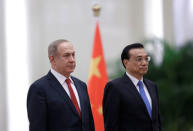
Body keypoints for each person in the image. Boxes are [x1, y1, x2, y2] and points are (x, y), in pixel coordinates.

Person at [27, 39, 95, 131]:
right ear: (52, 59)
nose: (72, 60)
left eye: (73, 55)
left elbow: (89, 123)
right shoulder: (39, 89)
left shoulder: (81, 85)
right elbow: (38, 127)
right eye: (66, 55)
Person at [103, 43, 161, 131]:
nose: (144, 63)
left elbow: (157, 121)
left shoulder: (152, 86)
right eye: (139, 59)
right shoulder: (115, 87)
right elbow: (111, 125)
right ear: (126, 62)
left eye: (146, 59)